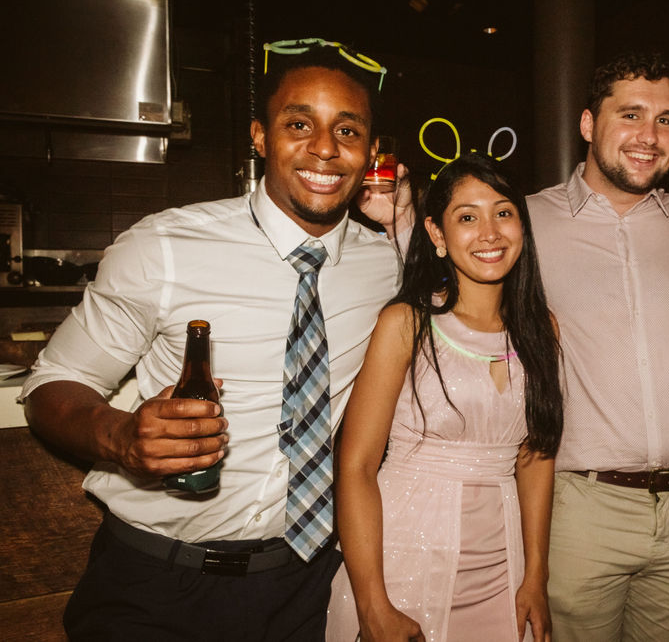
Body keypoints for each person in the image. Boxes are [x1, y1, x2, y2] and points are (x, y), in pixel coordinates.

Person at [20, 44, 409, 640]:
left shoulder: (384, 266)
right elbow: (53, 385)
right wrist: (120, 436)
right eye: (298, 124)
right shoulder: (165, 247)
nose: (325, 148)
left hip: (308, 588)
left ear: (372, 152)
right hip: (157, 582)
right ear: (260, 137)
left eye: (347, 130)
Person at [326, 153, 562, 642]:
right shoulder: (407, 325)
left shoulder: (543, 330)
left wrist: (535, 575)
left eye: (503, 212)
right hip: (404, 555)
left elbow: (535, 457)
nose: (490, 232)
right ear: (436, 235)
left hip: (503, 567)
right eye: (467, 218)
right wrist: (373, 605)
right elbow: (356, 466)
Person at [527, 52, 669, 641]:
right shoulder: (526, 222)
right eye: (631, 114)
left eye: (665, 120)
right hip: (582, 510)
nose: (649, 136)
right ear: (588, 124)